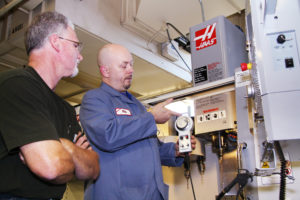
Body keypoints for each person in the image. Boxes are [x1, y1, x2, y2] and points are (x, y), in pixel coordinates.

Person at [0, 11, 100, 200]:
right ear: (56, 42)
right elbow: (52, 166)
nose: (80, 57)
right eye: (76, 45)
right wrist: (74, 155)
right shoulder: (16, 85)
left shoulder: (67, 110)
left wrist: (66, 147)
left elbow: (93, 167)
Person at [80, 43, 196, 200]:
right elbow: (108, 135)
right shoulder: (95, 99)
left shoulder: (136, 105)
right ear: (105, 70)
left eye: (131, 64)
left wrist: (174, 151)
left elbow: (150, 148)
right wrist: (151, 117)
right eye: (124, 66)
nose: (131, 70)